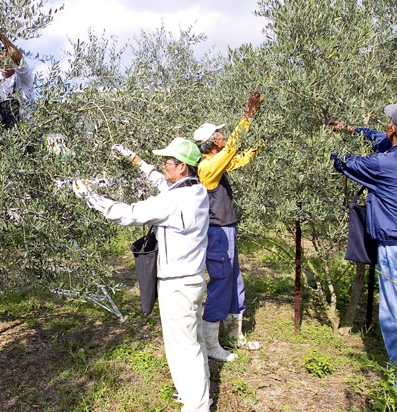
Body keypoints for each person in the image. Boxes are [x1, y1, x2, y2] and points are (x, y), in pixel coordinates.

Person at [77, 138, 211, 412]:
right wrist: (134, 158)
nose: (164, 165)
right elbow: (162, 183)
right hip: (194, 280)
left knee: (183, 348)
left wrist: (90, 197)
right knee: (193, 340)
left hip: (176, 284)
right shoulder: (197, 191)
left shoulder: (173, 201)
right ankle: (199, 395)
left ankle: (197, 406)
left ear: (182, 167)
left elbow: (128, 214)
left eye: (168, 162)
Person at [330, 100, 397, 389]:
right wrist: (354, 129)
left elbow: (344, 162)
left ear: (393, 128)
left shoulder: (383, 165)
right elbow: (385, 142)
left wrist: (327, 144)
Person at [192, 91, 264, 362]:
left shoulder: (217, 164)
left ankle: (234, 335)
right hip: (217, 231)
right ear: (212, 142)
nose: (223, 136)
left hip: (227, 228)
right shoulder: (207, 167)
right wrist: (248, 117)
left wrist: (261, 144)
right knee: (222, 281)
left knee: (235, 280)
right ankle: (211, 344)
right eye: (219, 134)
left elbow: (239, 158)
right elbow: (233, 149)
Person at [0, 33, 36, 128]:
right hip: (2, 136)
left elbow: (19, 60)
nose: (3, 62)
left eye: (6, 57)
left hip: (27, 131)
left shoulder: (23, 76)